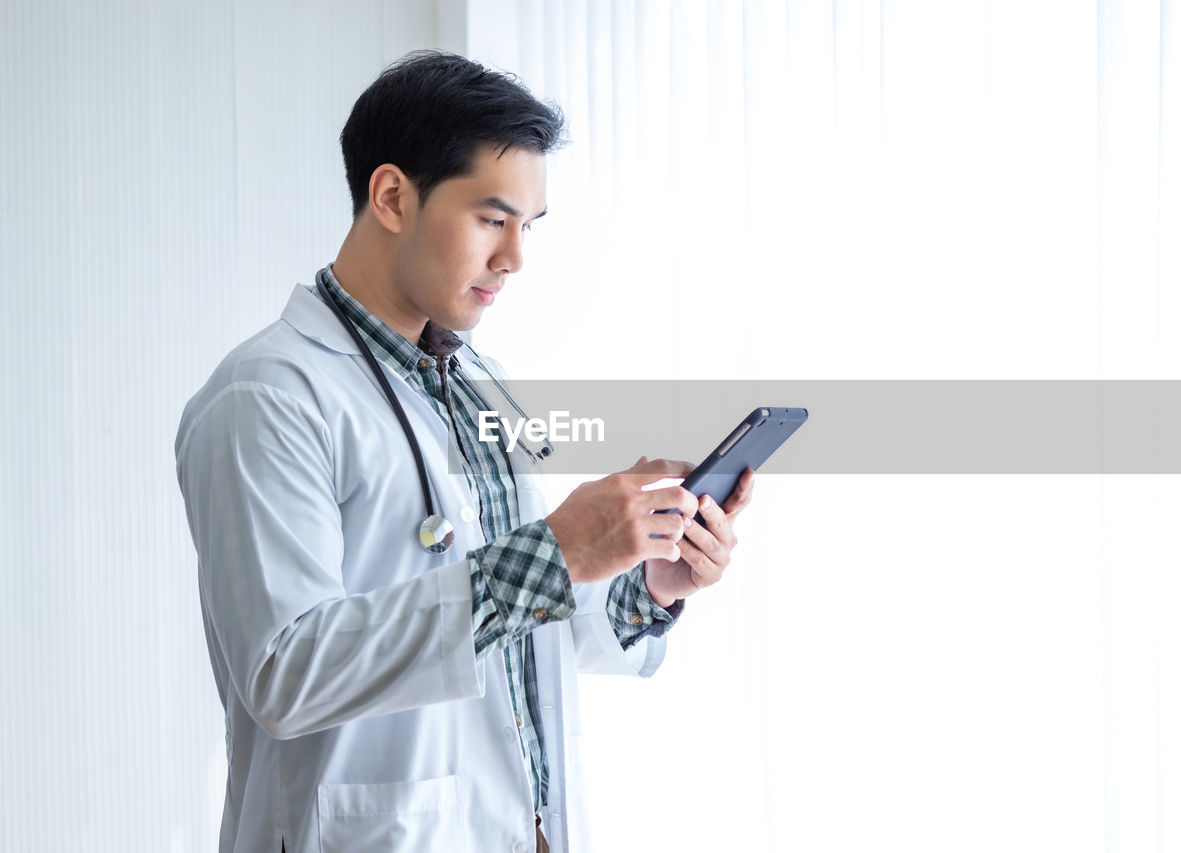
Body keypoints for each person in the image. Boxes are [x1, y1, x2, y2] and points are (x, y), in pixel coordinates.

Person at [175, 51, 753, 853]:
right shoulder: (267, 396)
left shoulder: (483, 384)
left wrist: (646, 587)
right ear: (390, 196)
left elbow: (516, 625)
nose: (515, 256)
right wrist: (552, 552)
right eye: (492, 218)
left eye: (528, 226)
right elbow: (285, 670)